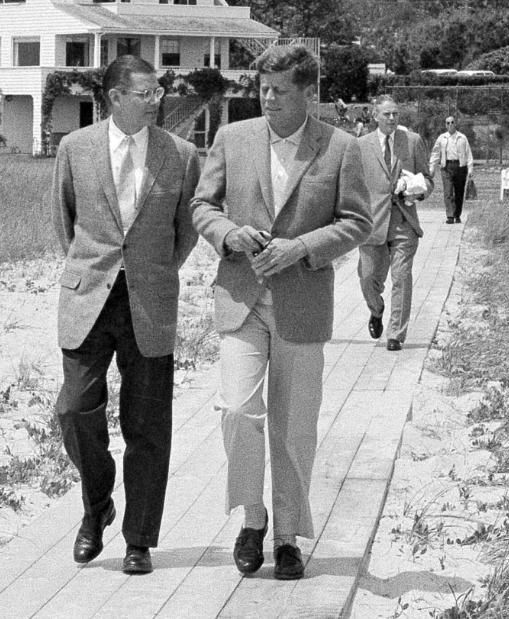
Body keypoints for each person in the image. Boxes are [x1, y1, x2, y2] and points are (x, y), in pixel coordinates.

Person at [190, 45, 371, 580]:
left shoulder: (341, 147)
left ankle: (288, 535)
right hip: (241, 298)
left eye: (280, 91)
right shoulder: (232, 138)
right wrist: (229, 234)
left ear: (308, 94)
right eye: (262, 89)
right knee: (238, 411)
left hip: (303, 302)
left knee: (295, 426)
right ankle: (252, 518)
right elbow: (204, 206)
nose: (267, 99)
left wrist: (303, 247)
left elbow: (358, 221)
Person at [50, 55, 201, 575]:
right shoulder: (75, 148)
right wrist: (97, 269)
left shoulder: (181, 154)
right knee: (73, 409)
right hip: (88, 298)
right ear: (116, 97)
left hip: (150, 301)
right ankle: (97, 505)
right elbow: (64, 223)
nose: (157, 99)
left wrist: (151, 272)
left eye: (158, 92)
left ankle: (139, 539)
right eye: (147, 93)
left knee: (148, 426)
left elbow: (186, 232)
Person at [357, 95, 433, 352]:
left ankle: (395, 334)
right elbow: (352, 186)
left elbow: (428, 178)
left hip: (403, 221)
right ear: (375, 116)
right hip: (372, 223)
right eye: (387, 114)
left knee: (401, 277)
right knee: (368, 278)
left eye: (396, 114)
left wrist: (418, 190)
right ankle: (376, 310)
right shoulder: (361, 146)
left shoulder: (412, 142)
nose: (392, 118)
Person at [429, 115, 473, 224]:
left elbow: (468, 153)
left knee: (459, 192)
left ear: (455, 124)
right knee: (448, 192)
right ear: (445, 125)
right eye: (447, 123)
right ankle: (450, 216)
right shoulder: (442, 138)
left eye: (452, 122)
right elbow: (435, 152)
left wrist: (470, 168)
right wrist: (432, 167)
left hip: (460, 167)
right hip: (446, 167)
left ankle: (457, 215)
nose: (450, 125)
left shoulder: (462, 137)